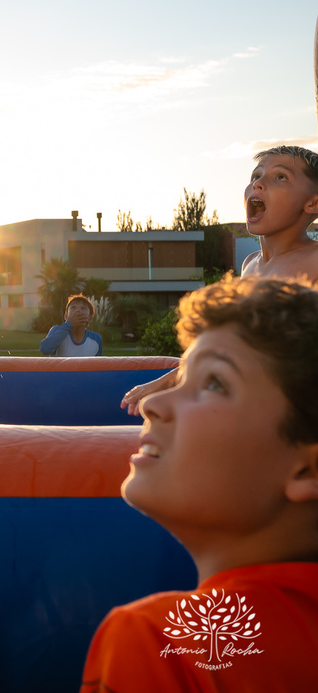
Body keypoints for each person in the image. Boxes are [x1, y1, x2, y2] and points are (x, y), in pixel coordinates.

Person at [80, 277, 318, 691]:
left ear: (308, 471)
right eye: (181, 377)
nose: (152, 404)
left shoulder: (159, 642)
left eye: (213, 383)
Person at [120, 145, 318, 415]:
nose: (258, 184)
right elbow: (232, 343)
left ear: (313, 203)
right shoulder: (250, 266)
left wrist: (171, 382)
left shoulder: (313, 262)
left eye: (280, 177)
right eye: (255, 176)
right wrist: (173, 381)